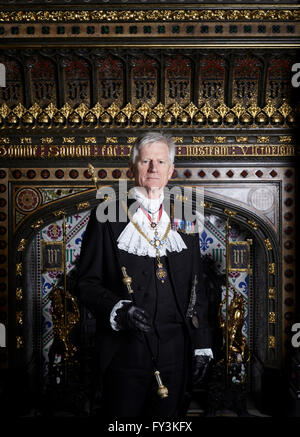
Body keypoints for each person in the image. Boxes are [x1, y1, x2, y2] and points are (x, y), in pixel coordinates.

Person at [76, 132, 213, 417]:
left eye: (161, 161)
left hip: (177, 351)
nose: (153, 168)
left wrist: (201, 345)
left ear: (170, 170)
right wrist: (119, 310)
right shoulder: (107, 214)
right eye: (146, 161)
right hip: (125, 354)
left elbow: (196, 286)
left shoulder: (186, 214)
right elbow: (85, 282)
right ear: (132, 167)